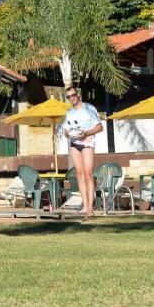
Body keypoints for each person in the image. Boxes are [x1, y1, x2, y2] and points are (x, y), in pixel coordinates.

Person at [61, 86, 103, 217]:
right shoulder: (69, 113)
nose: (72, 98)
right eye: (69, 97)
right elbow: (66, 131)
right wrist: (69, 134)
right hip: (75, 143)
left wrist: (86, 133)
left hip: (87, 142)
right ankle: (85, 205)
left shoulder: (89, 108)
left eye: (73, 95)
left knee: (88, 174)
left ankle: (90, 206)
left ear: (78, 94)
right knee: (79, 174)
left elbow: (100, 127)